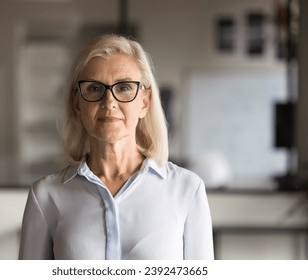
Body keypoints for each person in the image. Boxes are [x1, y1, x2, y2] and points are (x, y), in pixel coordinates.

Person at [18, 34, 214, 260]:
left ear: (145, 102)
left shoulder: (187, 189)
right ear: (77, 104)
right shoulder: (45, 196)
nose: (109, 102)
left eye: (123, 88)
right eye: (94, 88)